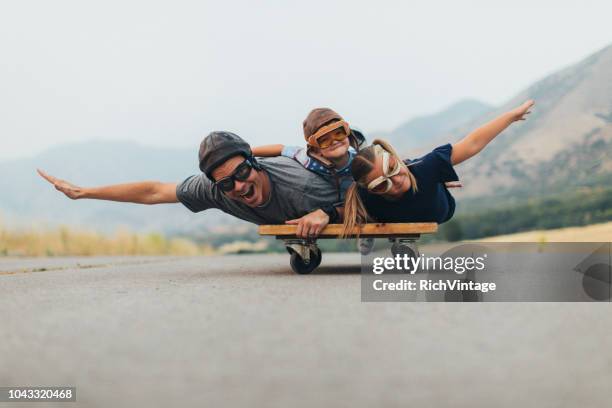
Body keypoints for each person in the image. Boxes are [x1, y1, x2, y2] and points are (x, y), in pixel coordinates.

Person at [38, 131, 340, 239]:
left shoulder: (303, 187)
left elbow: (360, 194)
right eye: (226, 184)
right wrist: (84, 192)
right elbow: (155, 191)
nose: (239, 186)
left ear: (255, 163)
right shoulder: (215, 188)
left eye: (243, 172)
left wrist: (327, 212)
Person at [341, 100, 535, 236]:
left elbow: (472, 143)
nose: (396, 181)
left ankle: (434, 180)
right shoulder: (364, 195)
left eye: (392, 168)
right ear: (372, 190)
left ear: (393, 157)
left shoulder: (427, 167)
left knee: (419, 169)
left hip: (439, 208)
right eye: (383, 185)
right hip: (395, 213)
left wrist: (511, 116)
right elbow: (338, 207)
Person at [252, 107, 375, 252]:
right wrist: (248, 152)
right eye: (324, 140)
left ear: (348, 133)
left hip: (355, 199)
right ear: (315, 148)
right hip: (326, 198)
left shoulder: (360, 160)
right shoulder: (307, 158)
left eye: (339, 133)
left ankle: (366, 229)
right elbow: (281, 149)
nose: (334, 141)